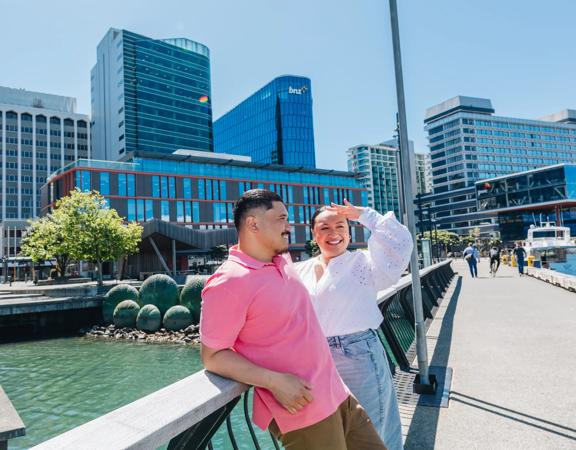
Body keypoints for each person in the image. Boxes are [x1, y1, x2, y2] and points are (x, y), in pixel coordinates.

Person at [200, 190, 386, 450]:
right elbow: (213, 356)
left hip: (338, 394)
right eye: (282, 218)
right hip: (303, 410)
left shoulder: (282, 263)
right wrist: (273, 381)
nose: (289, 226)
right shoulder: (228, 282)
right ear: (253, 223)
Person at [294, 200, 412, 450]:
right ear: (314, 234)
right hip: (315, 361)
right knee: (335, 435)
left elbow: (400, 244)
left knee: (370, 432)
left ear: (350, 231)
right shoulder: (300, 270)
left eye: (340, 226)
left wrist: (364, 214)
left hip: (357, 355)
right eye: (324, 228)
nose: (333, 233)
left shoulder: (363, 264)